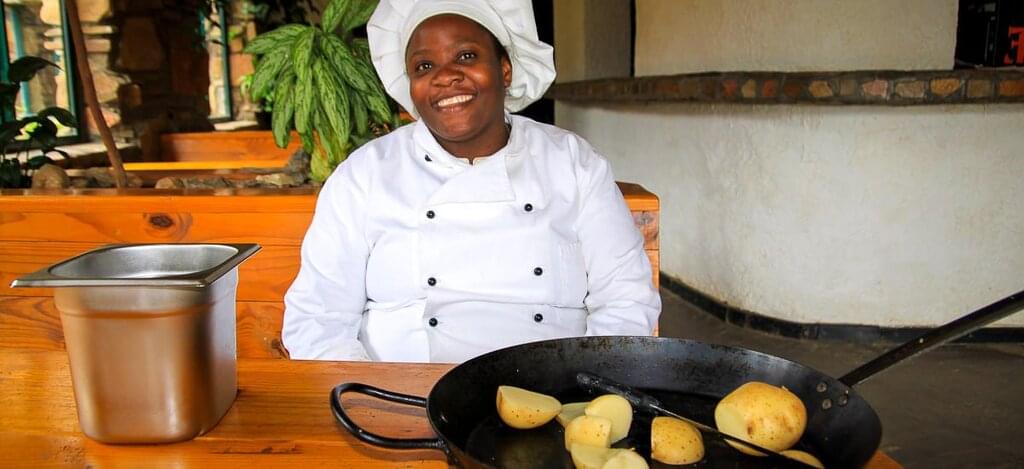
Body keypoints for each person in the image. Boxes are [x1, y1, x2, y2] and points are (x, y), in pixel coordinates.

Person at [281, 0, 660, 363]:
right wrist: (366, 395)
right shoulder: (365, 173)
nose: (445, 75)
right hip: (399, 393)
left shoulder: (572, 162)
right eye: (424, 66)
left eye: (465, 56)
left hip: (549, 392)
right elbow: (318, 316)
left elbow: (625, 296)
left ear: (505, 69)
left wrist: (585, 387)